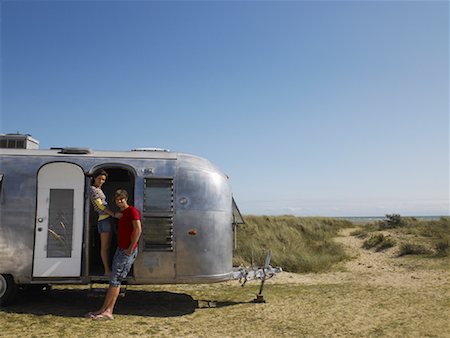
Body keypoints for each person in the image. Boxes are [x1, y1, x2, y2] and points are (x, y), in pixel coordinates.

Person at [86, 189, 142, 320]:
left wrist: (130, 248)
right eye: (117, 200)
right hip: (121, 249)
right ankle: (103, 309)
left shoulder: (132, 211)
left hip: (126, 250)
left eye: (122, 199)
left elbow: (138, 229)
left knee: (115, 280)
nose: (120, 201)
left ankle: (108, 311)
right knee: (114, 280)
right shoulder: (122, 213)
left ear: (126, 198)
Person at [89, 170, 116, 275]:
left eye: (103, 179)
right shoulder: (93, 189)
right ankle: (106, 270)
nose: (101, 181)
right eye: (99, 178)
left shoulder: (98, 189)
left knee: (108, 246)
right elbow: (100, 206)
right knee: (105, 247)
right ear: (94, 178)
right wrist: (114, 214)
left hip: (106, 218)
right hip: (104, 219)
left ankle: (108, 269)